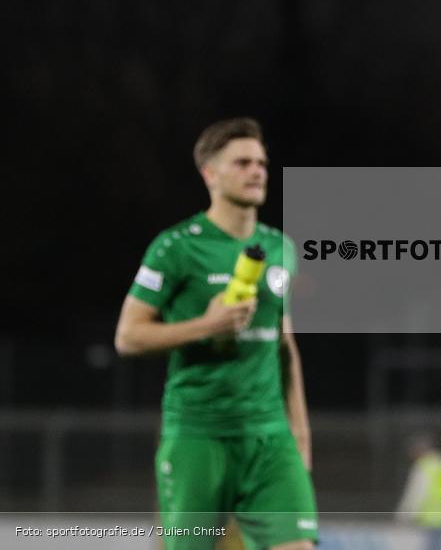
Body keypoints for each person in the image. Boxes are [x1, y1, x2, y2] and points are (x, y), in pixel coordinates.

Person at [115, 118, 318, 550]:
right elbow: (128, 336)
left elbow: (285, 346)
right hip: (197, 434)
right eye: (242, 162)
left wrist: (300, 437)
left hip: (269, 438)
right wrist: (207, 326)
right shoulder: (176, 247)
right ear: (210, 174)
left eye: (261, 162)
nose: (257, 171)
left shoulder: (281, 248)